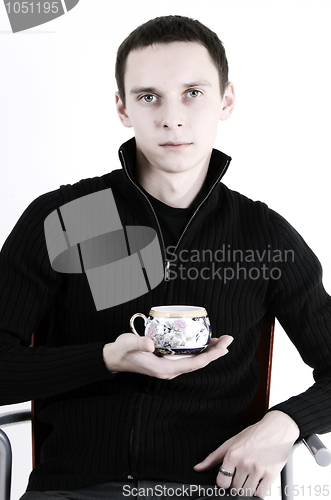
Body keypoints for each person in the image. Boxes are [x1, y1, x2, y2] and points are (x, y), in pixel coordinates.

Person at [0, 14, 331, 500]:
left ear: (226, 100)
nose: (172, 118)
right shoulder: (72, 218)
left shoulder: (261, 234)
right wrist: (107, 358)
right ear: (122, 107)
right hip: (77, 489)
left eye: (193, 93)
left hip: (210, 491)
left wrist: (285, 423)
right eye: (149, 96)